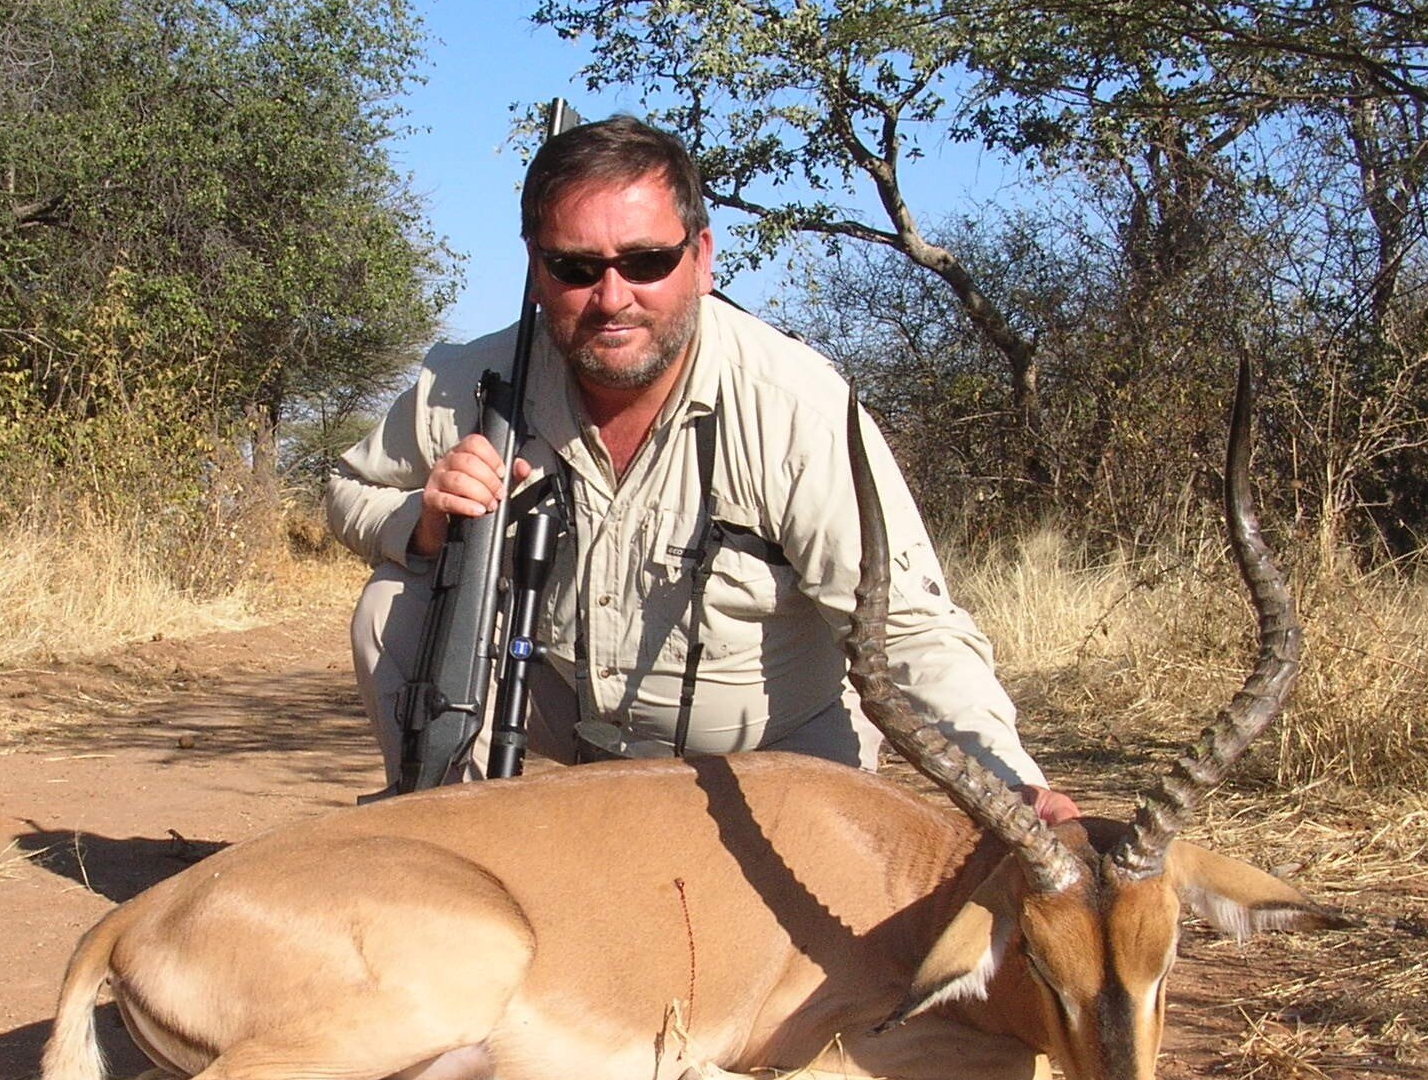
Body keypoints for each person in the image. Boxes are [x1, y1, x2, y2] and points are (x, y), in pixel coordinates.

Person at [325, 115, 1076, 821]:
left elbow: (911, 626)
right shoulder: (474, 377)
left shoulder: (797, 405)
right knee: (396, 601)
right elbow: (346, 488)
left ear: (702, 259)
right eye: (575, 266)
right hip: (573, 717)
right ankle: (446, 834)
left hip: (768, 755)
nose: (611, 298)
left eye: (647, 262)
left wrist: (1013, 782)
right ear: (536, 267)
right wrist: (422, 522)